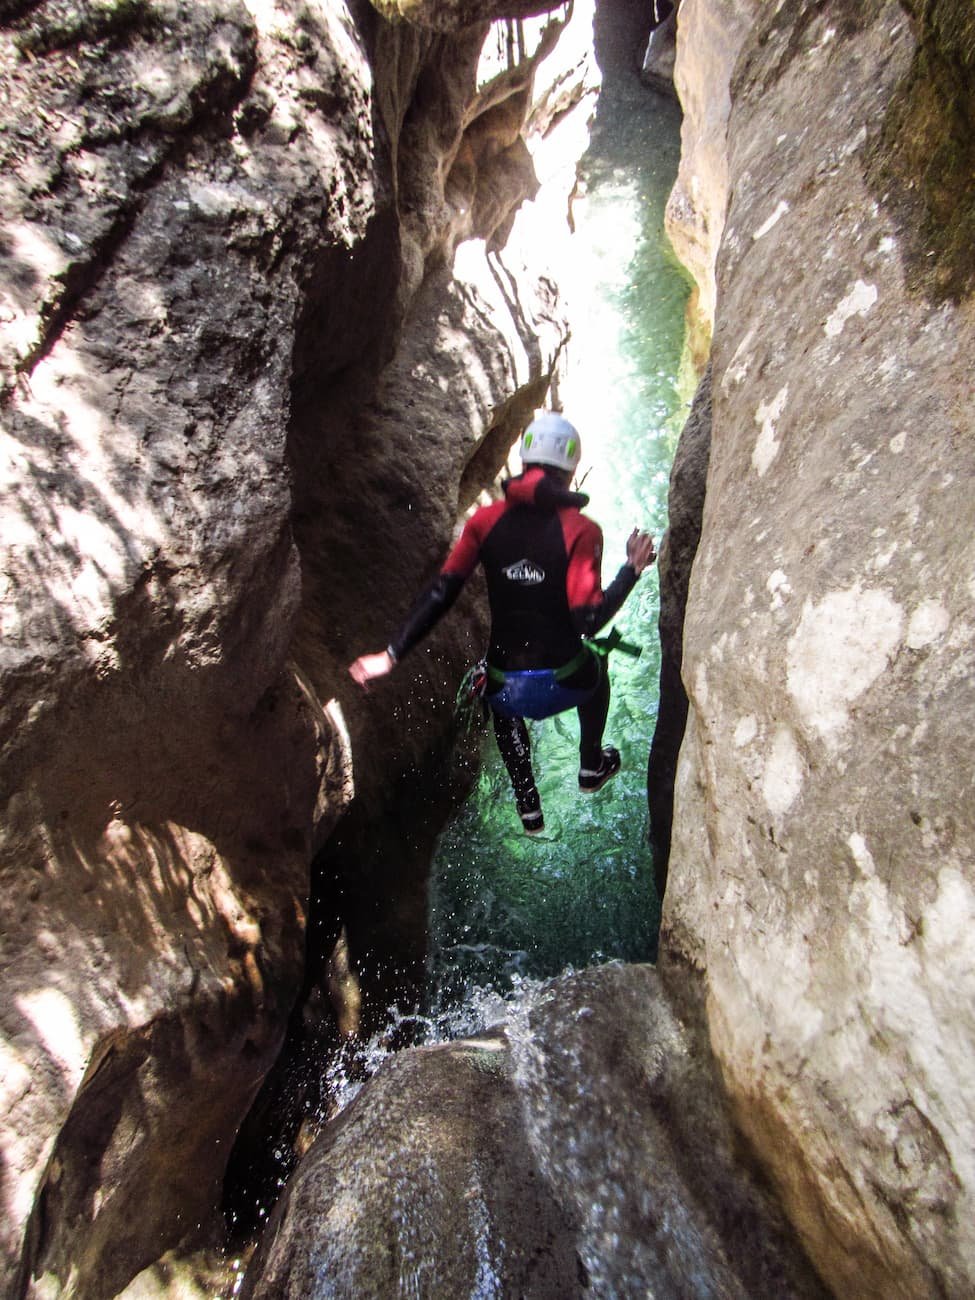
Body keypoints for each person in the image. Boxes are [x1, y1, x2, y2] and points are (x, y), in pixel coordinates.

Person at [348, 411, 656, 834]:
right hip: (567, 681)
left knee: (494, 688)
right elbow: (589, 620)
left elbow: (441, 593)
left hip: (508, 690)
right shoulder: (582, 530)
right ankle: (591, 765)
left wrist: (389, 655)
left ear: (524, 462)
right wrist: (632, 570)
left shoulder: (484, 521)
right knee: (597, 667)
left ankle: (528, 803)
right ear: (570, 471)